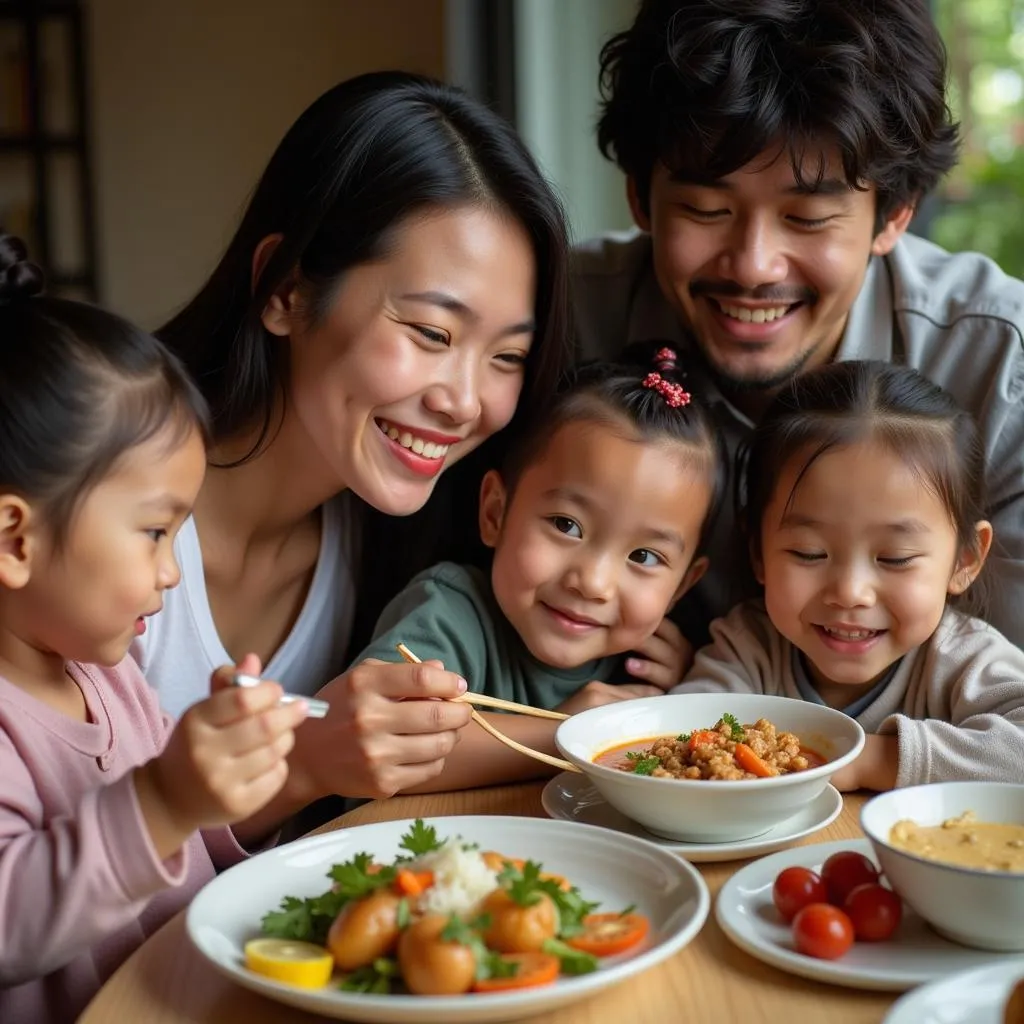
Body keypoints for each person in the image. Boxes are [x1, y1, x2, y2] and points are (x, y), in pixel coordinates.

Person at [134, 71, 574, 806]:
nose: (465, 402)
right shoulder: (91, 516)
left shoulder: (400, 540)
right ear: (286, 290)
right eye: (432, 333)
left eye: (507, 358)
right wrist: (303, 769)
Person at [572, 0, 1024, 652]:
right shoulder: (559, 319)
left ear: (894, 216)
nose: (754, 266)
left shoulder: (1000, 367)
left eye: (808, 219)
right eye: (705, 209)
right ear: (640, 198)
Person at [0, 237, 309, 1023]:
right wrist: (164, 798)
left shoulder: (106, 675)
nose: (174, 573)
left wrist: (215, 779)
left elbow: (176, 870)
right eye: (154, 533)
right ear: (14, 539)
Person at [352, 343, 723, 790]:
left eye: (643, 557)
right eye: (566, 525)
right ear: (495, 512)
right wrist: (569, 732)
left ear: (682, 586)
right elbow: (386, 743)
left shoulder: (646, 669)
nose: (593, 582)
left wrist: (684, 694)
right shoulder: (447, 614)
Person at [673, 360, 1024, 791]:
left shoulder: (963, 661)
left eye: (895, 558)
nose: (850, 593)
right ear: (758, 552)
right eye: (809, 553)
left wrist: (871, 760)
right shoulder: (749, 648)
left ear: (964, 559)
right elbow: (686, 733)